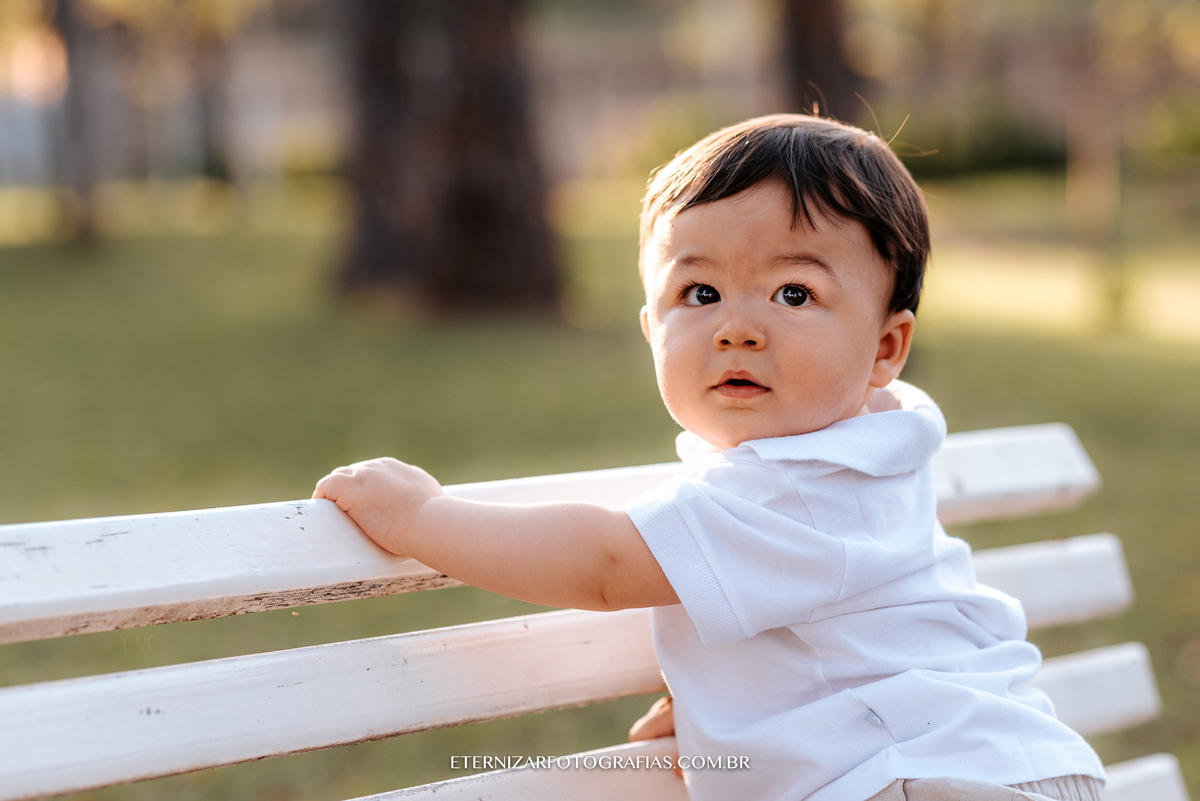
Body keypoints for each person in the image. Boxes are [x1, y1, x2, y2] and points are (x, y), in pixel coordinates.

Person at [313, 114, 1106, 801]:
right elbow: (839, 633)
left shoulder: (797, 485)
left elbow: (604, 565)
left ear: (885, 347)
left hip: (916, 778)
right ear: (651, 327)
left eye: (793, 294)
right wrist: (731, 703)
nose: (738, 327)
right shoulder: (873, 452)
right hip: (983, 765)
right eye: (699, 294)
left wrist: (423, 517)